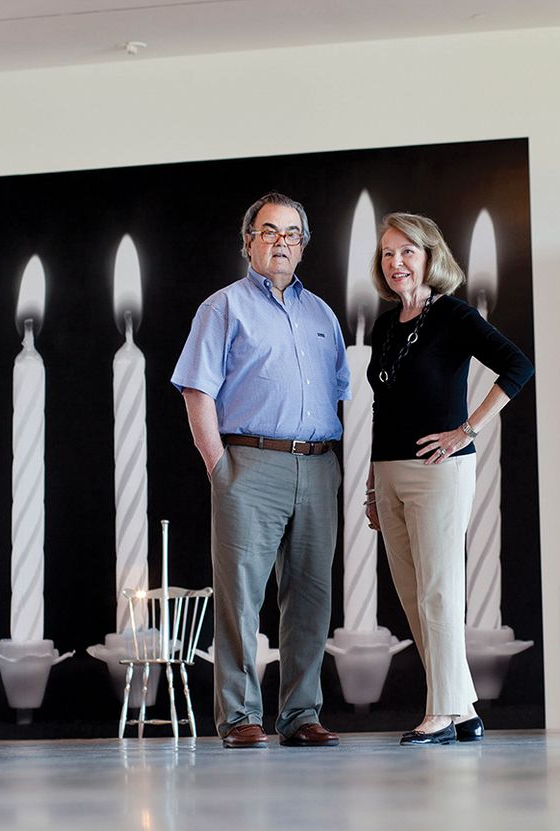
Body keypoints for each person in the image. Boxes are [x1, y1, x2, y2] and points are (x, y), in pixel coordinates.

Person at [171, 192, 350, 749]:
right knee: (241, 596)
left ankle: (300, 715)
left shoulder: (322, 313)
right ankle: (239, 717)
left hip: (319, 467)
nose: (280, 242)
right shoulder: (222, 308)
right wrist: (219, 466)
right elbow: (197, 391)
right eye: (269, 231)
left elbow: (338, 392)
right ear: (248, 241)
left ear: (303, 245)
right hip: (248, 462)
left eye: (292, 233)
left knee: (312, 599)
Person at [364, 212, 533, 745]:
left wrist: (465, 429)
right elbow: (382, 407)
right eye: (388, 253)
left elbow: (517, 365)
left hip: (439, 471)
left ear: (431, 257)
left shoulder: (453, 315)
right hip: (388, 472)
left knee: (439, 592)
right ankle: (462, 711)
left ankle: (439, 712)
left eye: (407, 251)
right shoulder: (385, 325)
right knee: (415, 596)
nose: (396, 263)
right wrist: (372, 482)